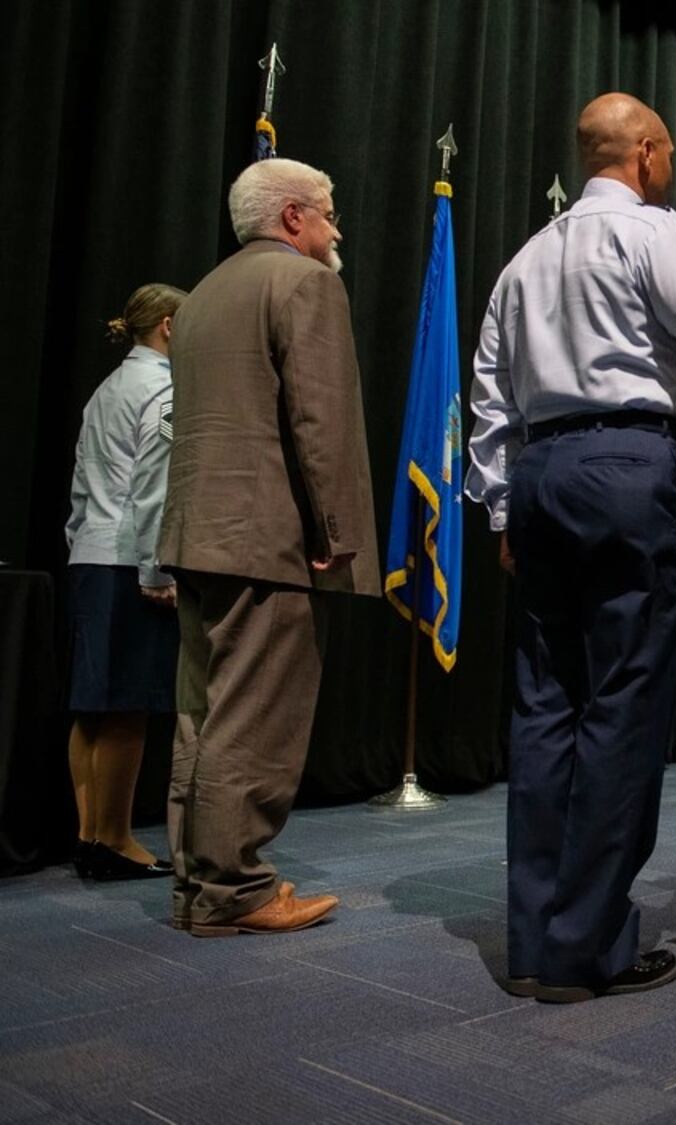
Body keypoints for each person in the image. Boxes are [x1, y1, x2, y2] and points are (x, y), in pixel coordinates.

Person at [466, 93, 676, 1003]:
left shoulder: (520, 262)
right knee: (624, 703)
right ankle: (585, 949)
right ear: (644, 154)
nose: (673, 165)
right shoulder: (656, 231)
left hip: (541, 477)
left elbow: (490, 406)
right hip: (635, 466)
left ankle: (535, 940)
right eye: (669, 151)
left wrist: (500, 513)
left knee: (545, 707)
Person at [161, 157, 380, 934]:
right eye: (327, 213)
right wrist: (337, 534)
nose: (336, 229)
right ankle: (237, 890)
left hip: (199, 533)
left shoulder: (201, 297)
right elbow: (319, 424)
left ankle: (197, 884)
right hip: (270, 542)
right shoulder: (305, 284)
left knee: (203, 714)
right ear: (292, 217)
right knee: (255, 717)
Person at [63, 283, 187, 882]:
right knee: (126, 708)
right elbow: (153, 485)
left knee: (91, 708)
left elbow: (81, 486)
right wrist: (155, 569)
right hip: (127, 561)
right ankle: (113, 840)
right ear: (167, 326)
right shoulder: (162, 386)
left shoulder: (106, 388)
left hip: (91, 555)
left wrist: (81, 543)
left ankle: (89, 835)